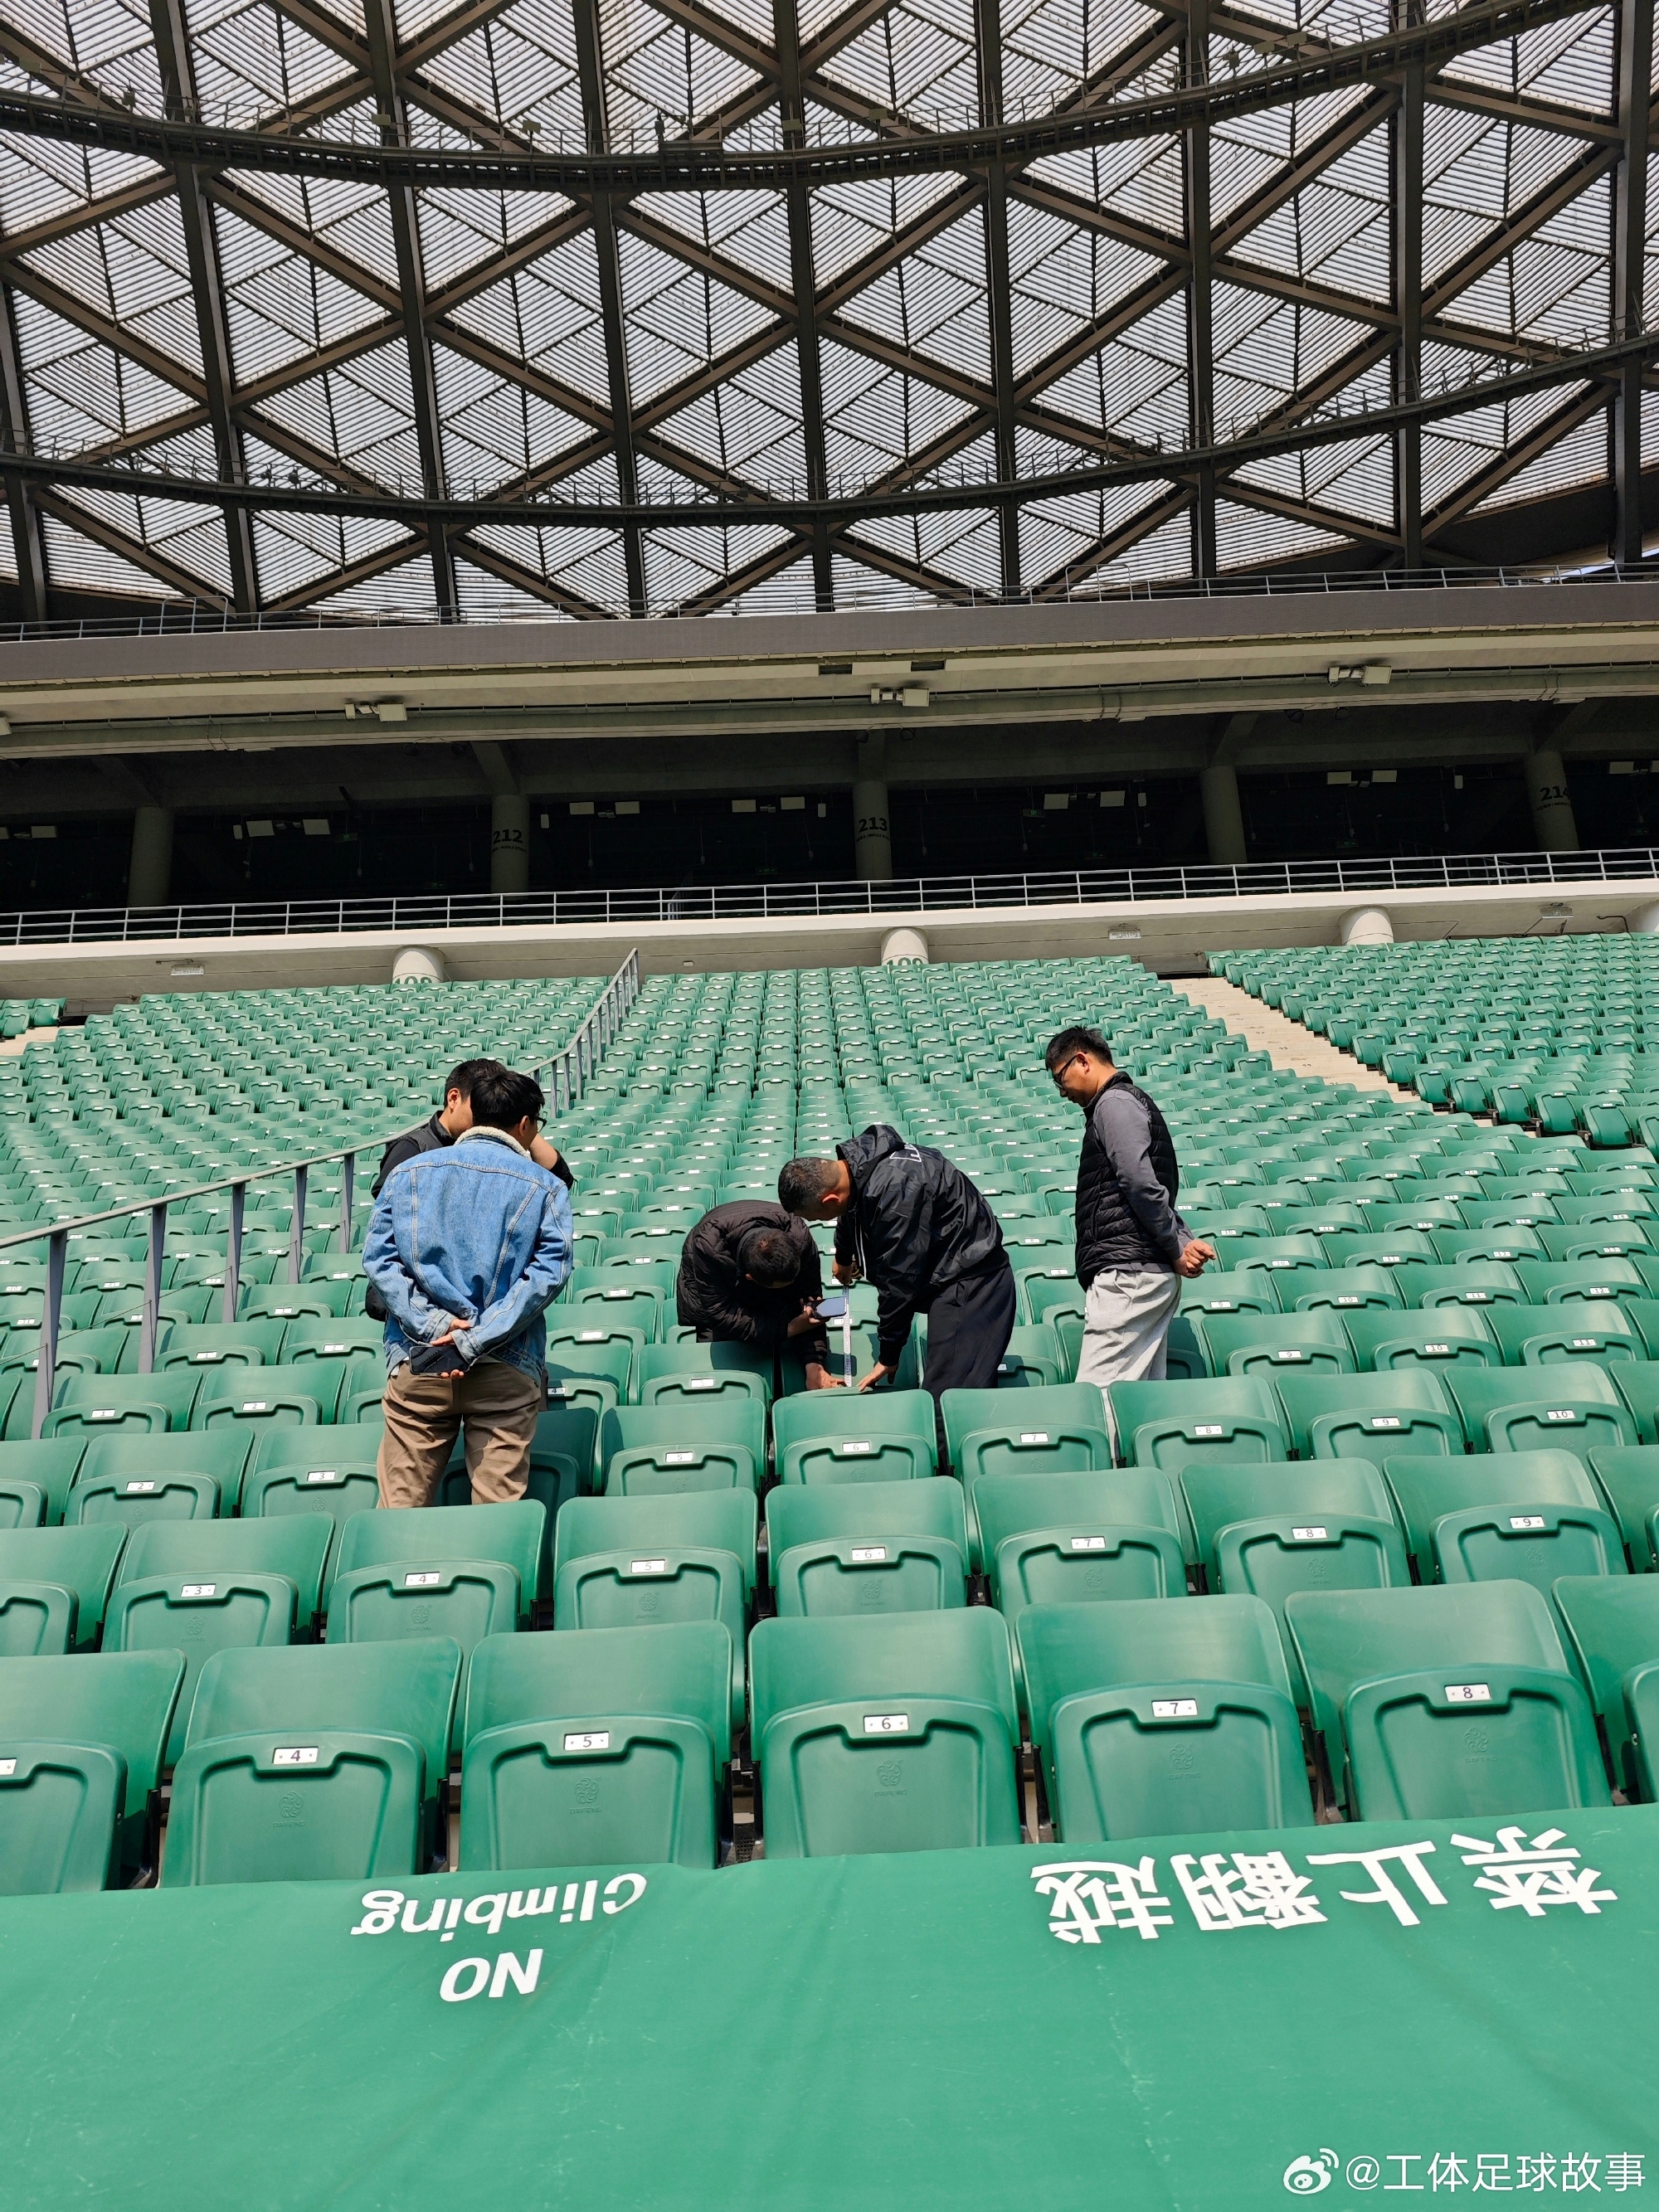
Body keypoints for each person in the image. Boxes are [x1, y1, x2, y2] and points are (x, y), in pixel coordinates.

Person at [363, 1064, 572, 1509]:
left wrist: (434, 1325)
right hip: (504, 1363)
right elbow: (548, 1276)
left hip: (422, 1357)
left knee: (399, 1507)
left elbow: (379, 1261)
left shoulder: (408, 1173)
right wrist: (474, 1339)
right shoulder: (545, 1188)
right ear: (525, 1125)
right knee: (497, 1511)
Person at [778, 1128, 1014, 1417]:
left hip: (972, 1281)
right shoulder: (857, 1166)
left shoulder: (896, 1190)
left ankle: (951, 1448)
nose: (817, 1220)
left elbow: (900, 1281)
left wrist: (888, 1355)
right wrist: (843, 1255)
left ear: (830, 1200)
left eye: (815, 1216)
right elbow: (851, 1210)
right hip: (953, 1271)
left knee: (948, 1403)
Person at [1044, 1024, 1216, 1389]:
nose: (1061, 1091)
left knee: (1099, 1395)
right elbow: (1148, 1184)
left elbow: (1140, 1183)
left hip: (1128, 1273)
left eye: (1060, 1078)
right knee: (1137, 1397)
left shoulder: (1115, 1103)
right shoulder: (1123, 1102)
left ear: (1082, 1061)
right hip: (1140, 1266)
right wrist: (1181, 1242)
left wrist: (1176, 1246)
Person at [366, 1057, 572, 1322]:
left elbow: (559, 1178)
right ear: (454, 1098)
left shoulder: (500, 1152)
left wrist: (522, 1124)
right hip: (422, 1304)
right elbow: (396, 1234)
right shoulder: (412, 1150)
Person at [676, 1202, 835, 1387]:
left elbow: (809, 1304)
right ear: (750, 1278)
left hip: (747, 1251)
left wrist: (814, 1365)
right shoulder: (708, 1247)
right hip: (711, 1275)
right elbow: (721, 1315)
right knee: (727, 1355)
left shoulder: (800, 1239)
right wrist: (789, 1329)